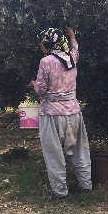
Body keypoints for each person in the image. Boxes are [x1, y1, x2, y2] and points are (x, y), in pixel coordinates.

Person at [30, 26, 92, 200]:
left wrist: (33, 85)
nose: (40, 45)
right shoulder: (71, 58)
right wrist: (72, 34)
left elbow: (42, 91)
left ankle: (60, 192)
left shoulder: (46, 62)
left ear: (47, 43)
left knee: (54, 154)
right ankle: (86, 185)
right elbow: (75, 48)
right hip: (73, 112)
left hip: (52, 114)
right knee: (80, 150)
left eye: (42, 42)